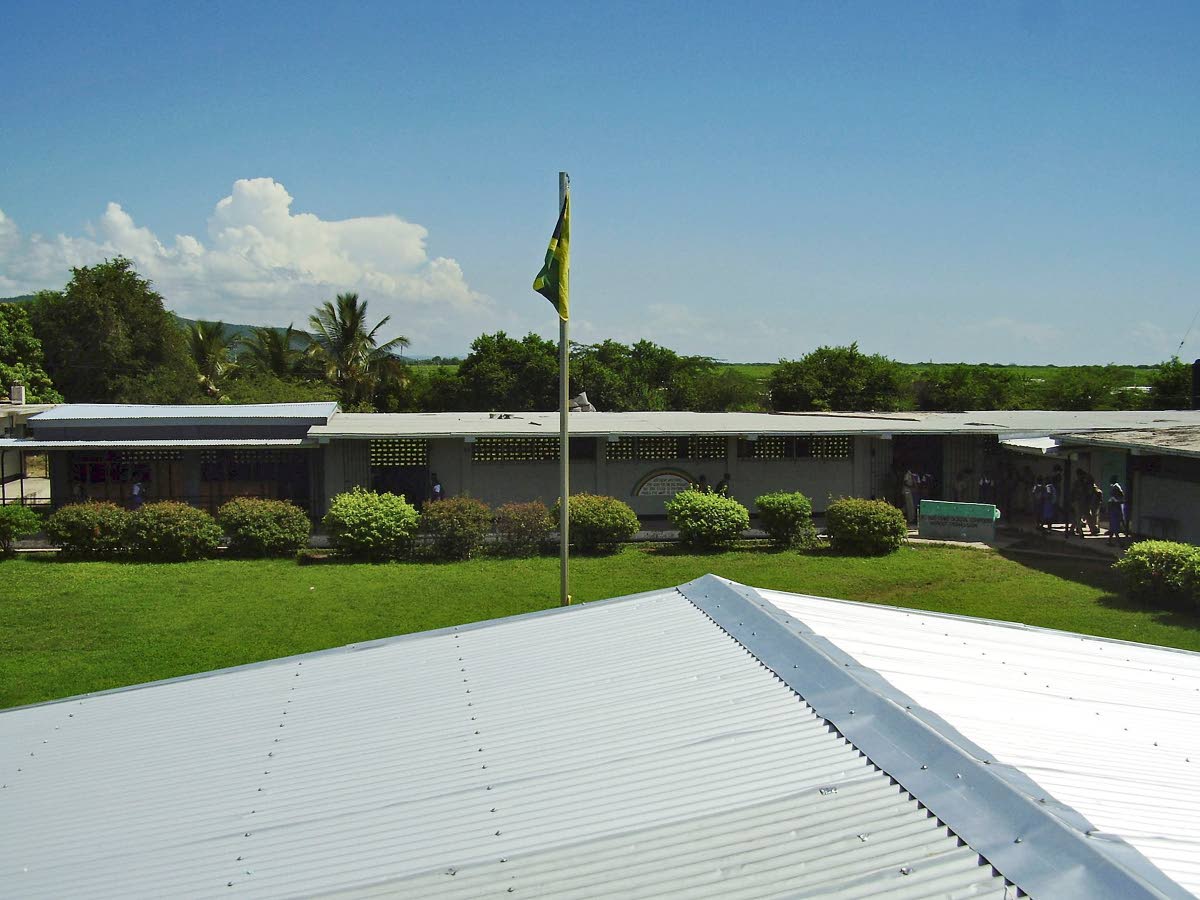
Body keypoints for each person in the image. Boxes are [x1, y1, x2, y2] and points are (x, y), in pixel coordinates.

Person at [1106, 476, 1126, 544]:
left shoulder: (1115, 488)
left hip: (1115, 509)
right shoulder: (1116, 487)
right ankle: (1110, 541)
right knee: (1113, 526)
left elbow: (1115, 499)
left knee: (1114, 526)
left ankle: (1119, 542)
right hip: (1115, 509)